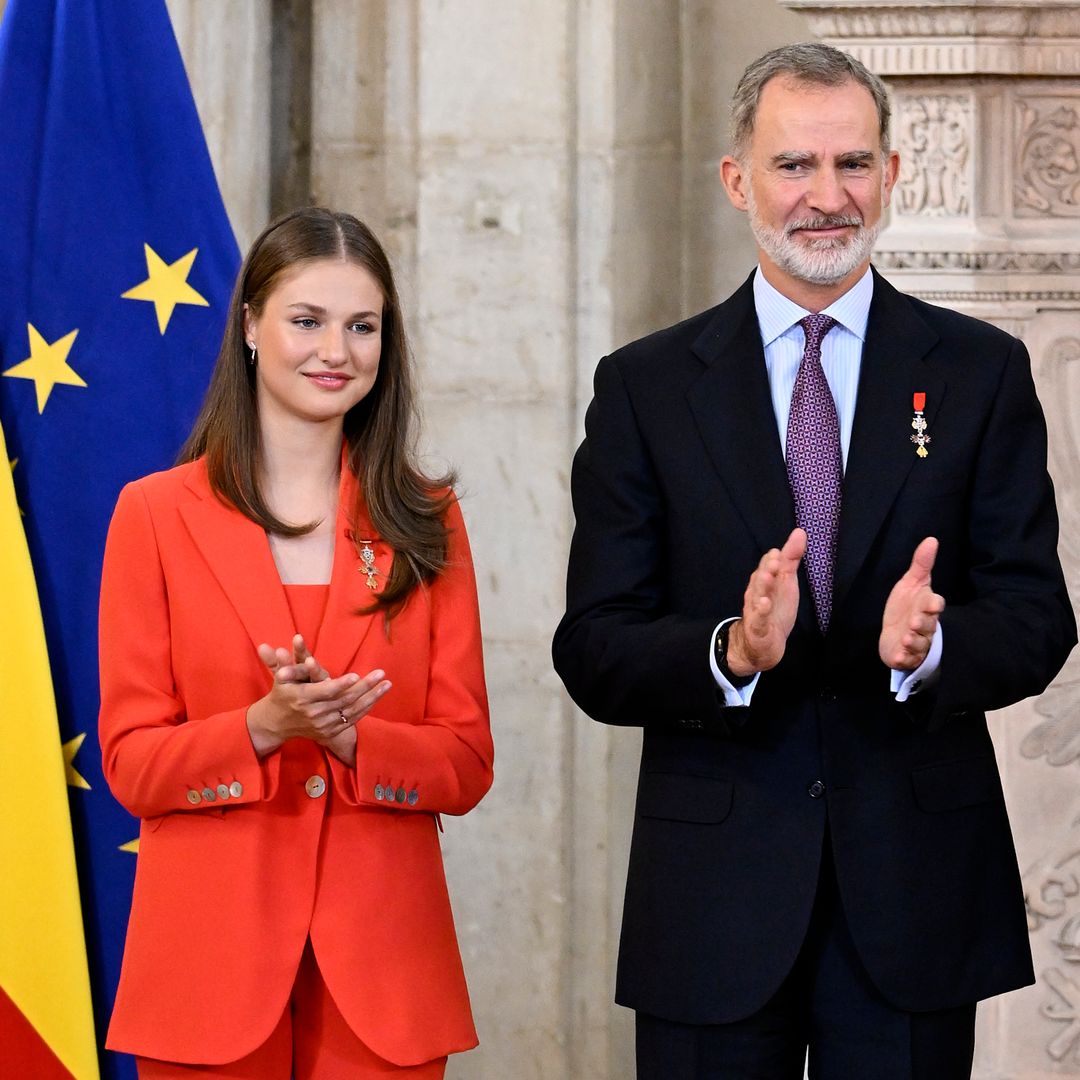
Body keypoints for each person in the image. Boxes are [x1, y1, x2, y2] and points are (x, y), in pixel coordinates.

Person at [552, 42, 1076, 1079]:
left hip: (916, 900)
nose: (825, 197)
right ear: (739, 181)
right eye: (795, 166)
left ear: (891, 176)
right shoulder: (646, 389)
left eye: (851, 166)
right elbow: (596, 645)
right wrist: (730, 651)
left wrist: (929, 649)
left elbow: (1036, 616)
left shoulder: (979, 374)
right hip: (711, 903)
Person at [98, 207, 493, 1079]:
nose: (336, 351)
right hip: (206, 982)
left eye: (362, 326)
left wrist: (352, 738)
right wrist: (264, 726)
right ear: (249, 327)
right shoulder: (155, 517)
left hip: (383, 987)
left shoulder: (429, 522)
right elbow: (131, 764)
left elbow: (465, 765)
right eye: (307, 321)